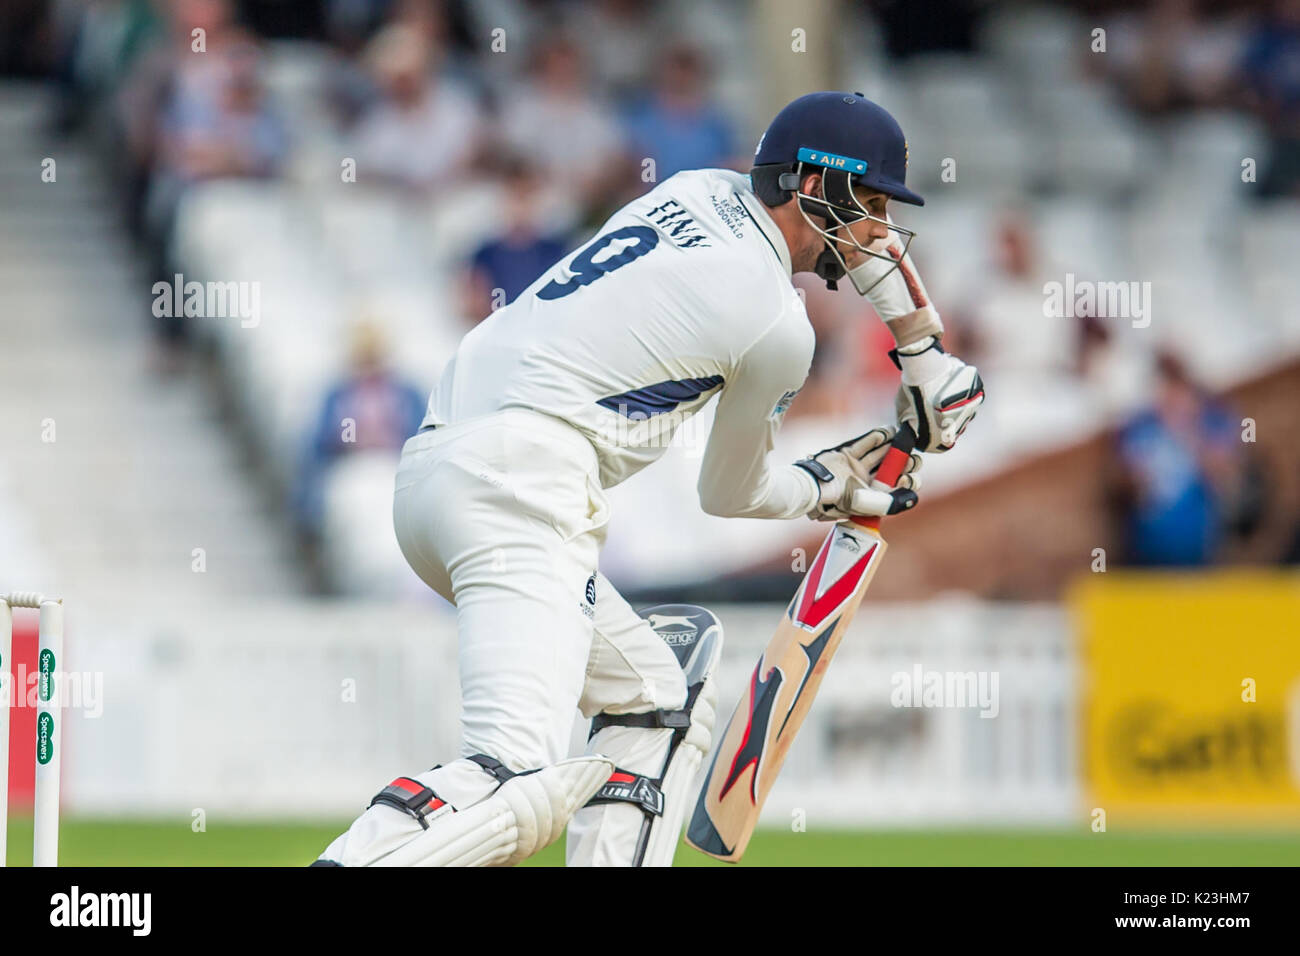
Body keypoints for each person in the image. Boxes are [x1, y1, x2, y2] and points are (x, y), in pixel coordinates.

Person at [314, 91, 984, 867]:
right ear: (812, 188)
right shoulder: (774, 324)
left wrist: (924, 352)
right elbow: (729, 493)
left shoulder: (692, 189)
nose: (877, 233)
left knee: (658, 702)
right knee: (512, 784)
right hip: (521, 492)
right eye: (867, 204)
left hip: (438, 474)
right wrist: (827, 485)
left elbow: (858, 250)